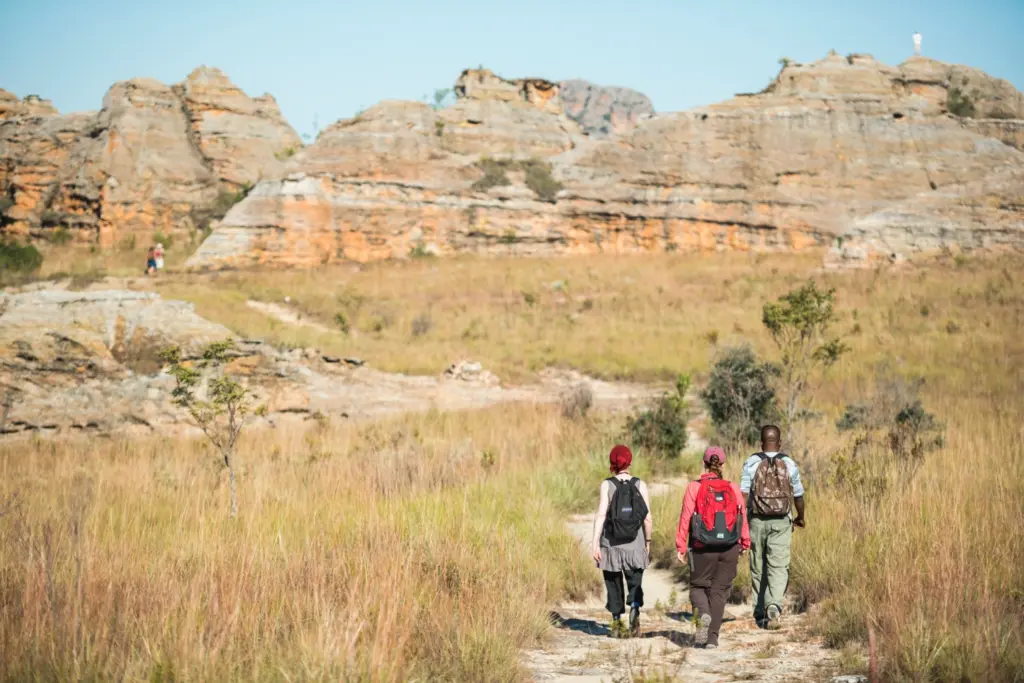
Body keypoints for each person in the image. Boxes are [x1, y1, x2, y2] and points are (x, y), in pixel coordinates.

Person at [675, 446, 750, 649]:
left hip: (702, 546)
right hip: (729, 546)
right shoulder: (732, 487)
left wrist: (681, 545)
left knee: (698, 587)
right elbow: (742, 516)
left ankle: (703, 615)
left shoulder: (694, 487)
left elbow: (686, 517)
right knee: (719, 591)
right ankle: (712, 639)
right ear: (722, 465)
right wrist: (745, 541)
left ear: (704, 463)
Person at [740, 425, 805, 630]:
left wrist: (741, 521)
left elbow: (743, 495)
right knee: (778, 566)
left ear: (761, 443)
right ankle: (774, 606)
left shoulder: (751, 463)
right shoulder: (789, 463)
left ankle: (760, 614)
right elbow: (798, 495)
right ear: (779, 443)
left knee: (758, 567)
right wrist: (800, 517)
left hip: (756, 521)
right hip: (781, 522)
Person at [591, 444, 652, 638]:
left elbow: (601, 514)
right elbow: (648, 517)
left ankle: (617, 620)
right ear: (630, 461)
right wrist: (647, 540)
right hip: (635, 542)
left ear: (612, 463)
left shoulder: (606, 485)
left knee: (613, 582)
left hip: (611, 543)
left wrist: (594, 543)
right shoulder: (640, 484)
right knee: (635, 580)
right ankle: (634, 605)